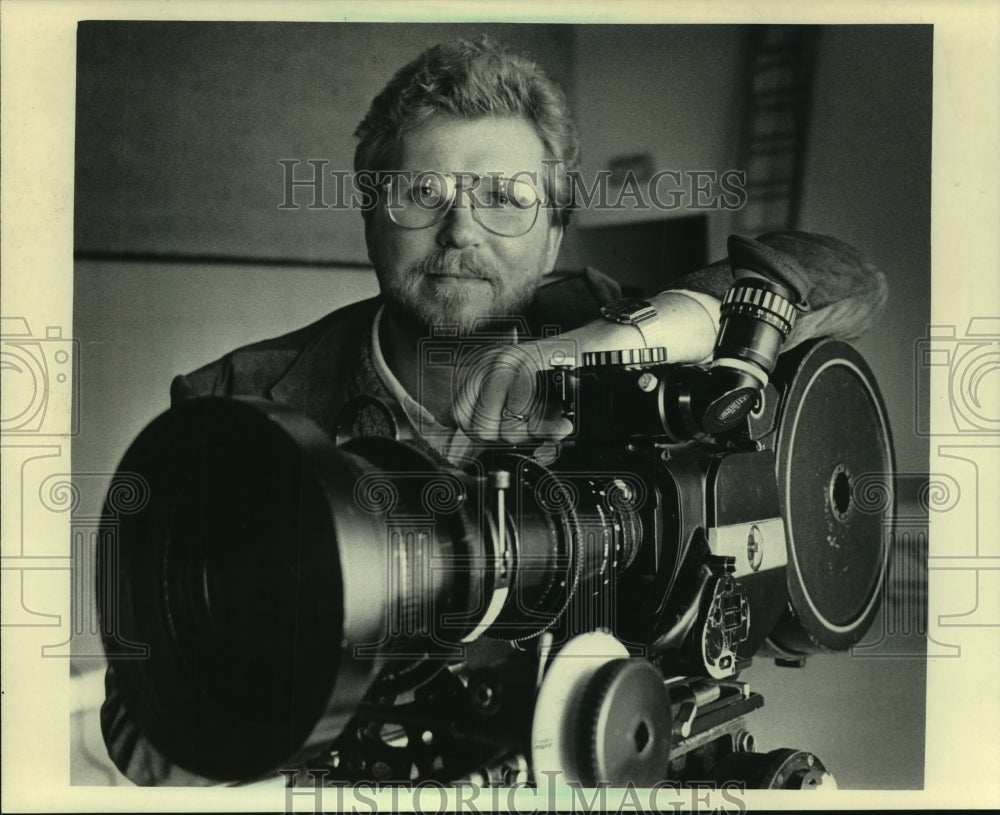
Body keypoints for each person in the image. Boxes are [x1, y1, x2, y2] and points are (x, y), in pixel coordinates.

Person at [102, 36, 886, 785]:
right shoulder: (237, 409)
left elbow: (847, 280)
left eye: (506, 199)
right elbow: (144, 740)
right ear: (370, 219)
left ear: (553, 237)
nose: (460, 231)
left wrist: (591, 347)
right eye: (422, 194)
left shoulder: (631, 345)